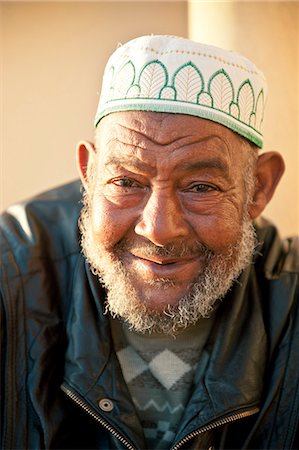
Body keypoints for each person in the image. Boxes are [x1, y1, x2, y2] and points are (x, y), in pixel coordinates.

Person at [0, 35, 298, 450]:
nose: (158, 229)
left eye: (200, 186)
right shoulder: (8, 279)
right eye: (126, 182)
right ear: (89, 174)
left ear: (258, 188)